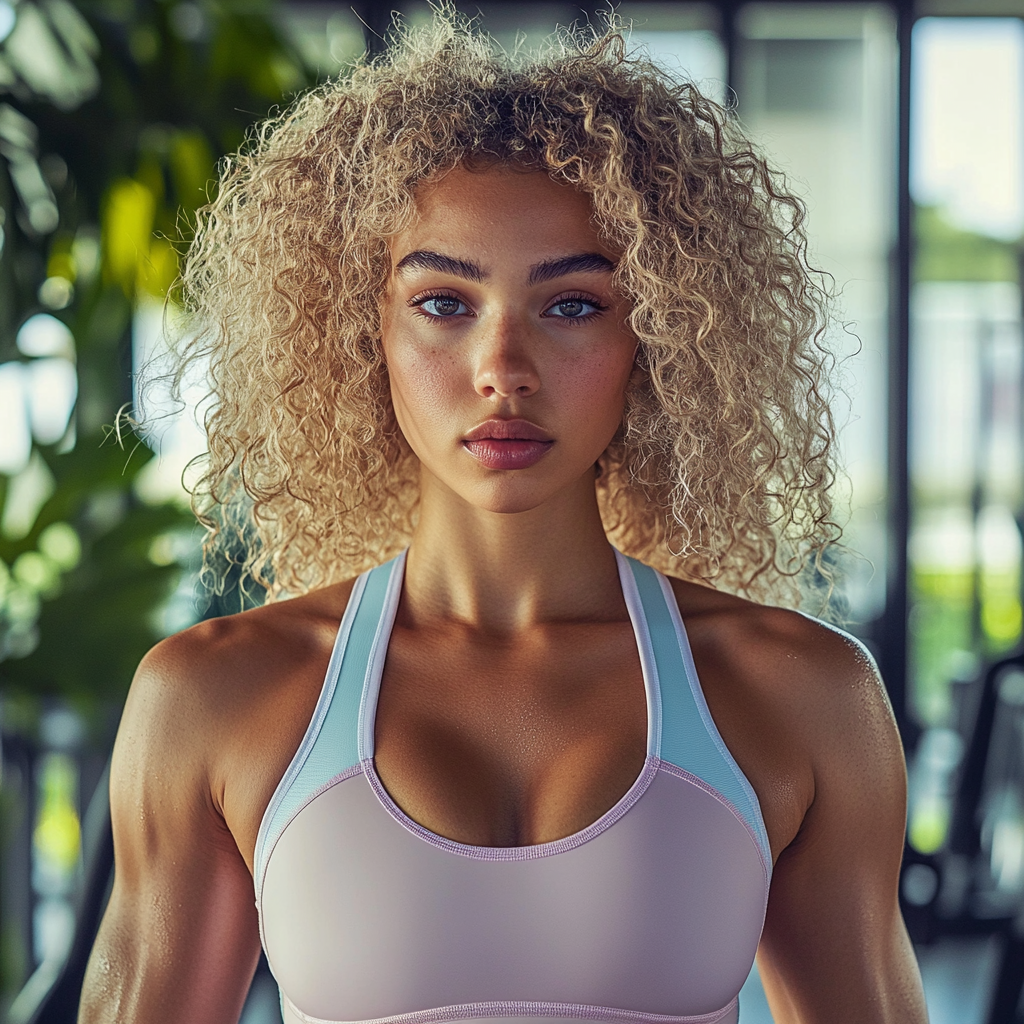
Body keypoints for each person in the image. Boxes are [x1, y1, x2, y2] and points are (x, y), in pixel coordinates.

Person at [79, 12, 928, 1024]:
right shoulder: (212, 699)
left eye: (572, 305)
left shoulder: (803, 697)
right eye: (444, 301)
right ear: (366, 332)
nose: (503, 370)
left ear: (653, 336)